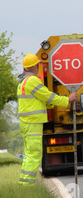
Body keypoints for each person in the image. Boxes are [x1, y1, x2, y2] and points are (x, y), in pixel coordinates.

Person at [17, 53, 77, 186]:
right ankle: (28, 185)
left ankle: (24, 183)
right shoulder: (32, 80)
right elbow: (47, 96)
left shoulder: (23, 81)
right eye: (38, 64)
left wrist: (53, 101)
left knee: (29, 153)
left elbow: (41, 100)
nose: (39, 66)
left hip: (27, 122)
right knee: (34, 154)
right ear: (34, 66)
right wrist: (67, 100)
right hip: (32, 122)